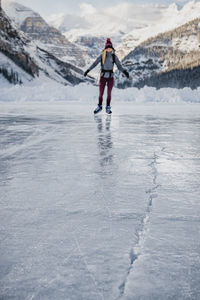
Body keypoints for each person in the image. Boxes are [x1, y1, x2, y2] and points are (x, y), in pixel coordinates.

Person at [84, 38, 129, 114]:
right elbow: (95, 63)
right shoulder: (102, 56)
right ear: (105, 49)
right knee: (101, 93)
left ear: (112, 48)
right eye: (107, 48)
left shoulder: (114, 56)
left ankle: (108, 107)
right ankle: (99, 106)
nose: (109, 49)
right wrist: (88, 70)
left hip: (110, 78)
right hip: (103, 77)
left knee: (109, 93)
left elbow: (119, 66)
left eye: (110, 48)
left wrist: (125, 72)